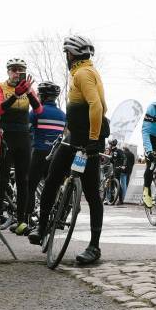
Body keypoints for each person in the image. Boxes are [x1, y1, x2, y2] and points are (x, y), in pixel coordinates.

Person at [30, 35, 107, 266]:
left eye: (66, 54)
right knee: (53, 178)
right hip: (73, 138)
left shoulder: (83, 74)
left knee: (92, 194)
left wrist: (93, 139)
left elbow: (97, 106)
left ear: (71, 54)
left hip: (87, 141)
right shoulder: (84, 71)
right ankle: (42, 227)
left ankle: (94, 247)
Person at [0, 58, 43, 234]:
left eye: (20, 70)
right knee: (3, 179)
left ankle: (21, 220)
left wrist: (28, 92)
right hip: (6, 136)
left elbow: (38, 110)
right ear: (8, 71)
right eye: (13, 70)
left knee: (24, 180)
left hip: (23, 138)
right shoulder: (0, 86)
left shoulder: (29, 88)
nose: (16, 73)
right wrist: (15, 95)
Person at [31, 81, 67, 200]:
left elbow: (27, 128)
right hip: (57, 155)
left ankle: (27, 216)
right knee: (51, 187)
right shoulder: (63, 115)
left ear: (42, 96)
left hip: (39, 153)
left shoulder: (37, 111)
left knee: (29, 186)